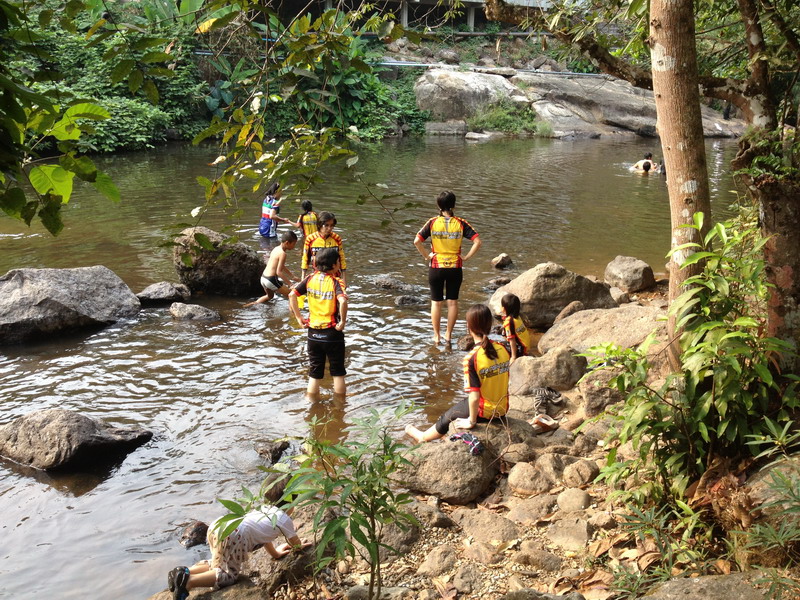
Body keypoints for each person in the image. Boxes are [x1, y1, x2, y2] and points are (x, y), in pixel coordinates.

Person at [405, 304, 509, 443]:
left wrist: (471, 421)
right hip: (502, 409)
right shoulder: (503, 349)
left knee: (448, 416)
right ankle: (440, 434)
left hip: (485, 412)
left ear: (469, 326)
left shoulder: (472, 358)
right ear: (490, 325)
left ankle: (423, 437)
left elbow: (474, 397)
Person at [166, 504, 308, 600]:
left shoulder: (266, 508)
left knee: (218, 563)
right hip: (234, 535)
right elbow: (295, 543)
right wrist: (299, 546)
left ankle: (185, 572)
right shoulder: (284, 519)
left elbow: (263, 537)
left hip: (218, 526)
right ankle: (190, 582)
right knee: (228, 575)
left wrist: (275, 554)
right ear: (291, 504)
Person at [414, 191, 481, 345]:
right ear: (454, 205)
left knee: (436, 303)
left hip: (436, 266)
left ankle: (436, 336)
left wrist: (426, 256)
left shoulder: (432, 222)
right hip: (454, 267)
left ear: (438, 206)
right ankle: (448, 335)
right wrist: (466, 257)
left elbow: (417, 241)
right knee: (452, 302)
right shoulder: (461, 223)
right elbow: (477, 241)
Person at [289, 247, 348, 397]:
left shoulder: (310, 279)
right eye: (338, 262)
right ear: (334, 265)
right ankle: (340, 406)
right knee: (338, 372)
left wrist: (298, 317)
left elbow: (292, 295)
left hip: (313, 333)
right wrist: (342, 322)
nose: (339, 264)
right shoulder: (336, 282)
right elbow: (343, 301)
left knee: (314, 373)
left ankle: (311, 403)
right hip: (332, 333)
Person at [244, 231, 298, 307]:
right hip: (271, 280)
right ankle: (292, 313)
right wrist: (290, 284)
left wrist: (292, 276)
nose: (294, 246)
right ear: (287, 243)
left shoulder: (276, 248)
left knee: (270, 296)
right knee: (291, 295)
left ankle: (250, 305)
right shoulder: (283, 254)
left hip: (263, 278)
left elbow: (282, 266)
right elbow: (279, 272)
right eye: (294, 244)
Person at [300, 211, 347, 284]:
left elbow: (341, 258)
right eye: (326, 225)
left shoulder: (336, 238)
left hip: (335, 276)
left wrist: (344, 279)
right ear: (320, 225)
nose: (329, 228)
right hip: (317, 276)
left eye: (331, 225)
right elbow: (305, 258)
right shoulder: (310, 239)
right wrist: (303, 279)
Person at [500, 293, 531, 364]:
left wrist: (513, 357)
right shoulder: (517, 317)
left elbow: (512, 341)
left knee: (499, 347)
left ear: (504, 309)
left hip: (521, 350)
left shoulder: (509, 322)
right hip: (526, 347)